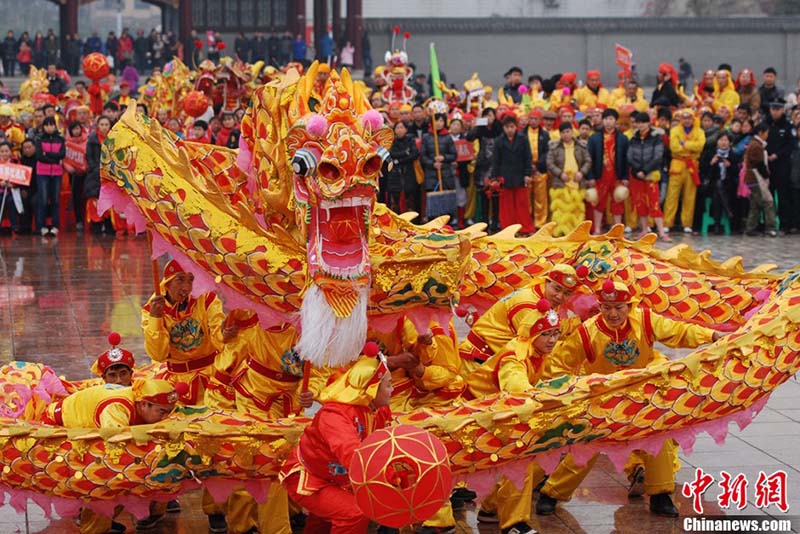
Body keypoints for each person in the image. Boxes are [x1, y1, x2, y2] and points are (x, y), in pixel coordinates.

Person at [537, 280, 722, 519]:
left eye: (619, 307)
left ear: (630, 305)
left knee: (659, 438)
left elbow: (679, 331)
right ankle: (551, 494)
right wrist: (564, 390)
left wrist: (712, 334)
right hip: (603, 399)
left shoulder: (645, 320)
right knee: (586, 447)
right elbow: (560, 363)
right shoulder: (587, 332)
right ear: (600, 306)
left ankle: (660, 495)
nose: (613, 313)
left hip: (642, 397)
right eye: (606, 307)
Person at [467, 299, 561, 534]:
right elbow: (517, 388)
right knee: (522, 458)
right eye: (546, 334)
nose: (552, 340)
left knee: (541, 452)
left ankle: (491, 509)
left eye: (555, 334)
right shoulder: (515, 355)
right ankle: (513, 524)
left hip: (499, 413)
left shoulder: (538, 351)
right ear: (532, 333)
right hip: (477, 417)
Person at [204, 313, 305, 534]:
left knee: (284, 459)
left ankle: (285, 517)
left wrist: (311, 390)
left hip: (290, 399)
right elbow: (226, 338)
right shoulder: (253, 306)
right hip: (252, 393)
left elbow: (320, 366)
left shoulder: (312, 317)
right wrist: (224, 332)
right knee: (249, 459)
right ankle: (243, 524)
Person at [42, 379, 183, 534]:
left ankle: (106, 520)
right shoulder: (117, 408)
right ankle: (94, 525)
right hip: (60, 428)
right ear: (143, 404)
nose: (165, 417)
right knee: (113, 474)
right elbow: (115, 448)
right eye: (162, 412)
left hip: (93, 429)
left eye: (169, 412)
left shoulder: (142, 403)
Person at [279, 350, 393, 533]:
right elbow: (351, 454)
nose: (393, 390)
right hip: (311, 476)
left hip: (335, 476)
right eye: (388, 385)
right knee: (354, 513)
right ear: (370, 390)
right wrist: (386, 476)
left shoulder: (377, 410)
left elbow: (386, 442)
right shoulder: (335, 416)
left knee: (324, 522)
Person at [142, 259, 233, 405]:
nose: (186, 288)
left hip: (211, 374)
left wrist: (225, 334)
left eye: (190, 280)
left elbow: (217, 332)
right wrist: (155, 319)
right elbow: (158, 354)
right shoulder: (152, 308)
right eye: (180, 280)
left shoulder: (206, 297)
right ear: (167, 283)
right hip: (175, 377)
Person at [627, 112, 670, 241]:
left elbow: (658, 156)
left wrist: (645, 170)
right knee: (640, 202)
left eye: (642, 122)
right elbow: (629, 156)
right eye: (638, 122)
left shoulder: (656, 137)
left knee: (654, 202)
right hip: (636, 175)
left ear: (648, 123)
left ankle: (661, 232)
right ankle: (644, 230)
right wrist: (637, 170)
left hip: (651, 174)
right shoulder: (633, 137)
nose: (640, 125)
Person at [587, 108, 629, 233]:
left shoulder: (623, 139)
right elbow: (589, 159)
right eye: (605, 119)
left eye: (611, 119)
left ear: (616, 121)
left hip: (617, 175)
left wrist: (625, 177)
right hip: (600, 174)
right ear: (602, 120)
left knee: (618, 201)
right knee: (598, 201)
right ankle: (598, 229)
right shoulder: (594, 138)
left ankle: (617, 229)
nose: (608, 122)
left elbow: (627, 159)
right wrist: (590, 177)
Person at [547, 121, 591, 237]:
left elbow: (588, 161)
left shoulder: (581, 146)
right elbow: (550, 163)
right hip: (561, 183)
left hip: (577, 182)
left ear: (572, 132)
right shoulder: (554, 147)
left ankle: (577, 232)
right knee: (560, 210)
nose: (566, 134)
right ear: (560, 134)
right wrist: (560, 174)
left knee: (576, 209)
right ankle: (560, 233)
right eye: (563, 132)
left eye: (568, 131)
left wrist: (582, 173)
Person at [664, 109, 705, 233]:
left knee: (690, 195)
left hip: (692, 166)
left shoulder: (699, 131)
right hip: (677, 163)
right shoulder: (675, 130)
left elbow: (700, 146)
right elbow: (674, 147)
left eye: (689, 118)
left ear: (693, 119)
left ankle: (687, 223)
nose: (687, 120)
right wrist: (690, 147)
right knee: (672, 195)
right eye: (684, 118)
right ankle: (667, 222)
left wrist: (684, 144)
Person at [492, 113, 534, 234]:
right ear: (503, 128)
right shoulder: (499, 141)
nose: (509, 129)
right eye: (507, 127)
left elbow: (528, 158)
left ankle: (525, 228)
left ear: (516, 127)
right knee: (506, 206)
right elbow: (495, 161)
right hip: (504, 177)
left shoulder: (523, 139)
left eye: (512, 127)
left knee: (522, 204)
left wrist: (528, 174)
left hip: (520, 175)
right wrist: (495, 178)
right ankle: (507, 229)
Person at [766, 99, 797, 234]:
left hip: (782, 166)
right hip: (767, 166)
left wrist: (777, 155)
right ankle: (769, 224)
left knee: (783, 196)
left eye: (778, 109)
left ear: (782, 110)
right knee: (768, 197)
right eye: (773, 109)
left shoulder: (788, 127)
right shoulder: (766, 124)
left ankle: (785, 224)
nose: (775, 111)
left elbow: (790, 145)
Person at [421, 112, 457, 221]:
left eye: (442, 121)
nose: (439, 123)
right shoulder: (426, 137)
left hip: (445, 173)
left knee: (446, 202)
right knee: (433, 202)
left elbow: (454, 155)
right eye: (437, 120)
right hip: (432, 174)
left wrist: (444, 158)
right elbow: (423, 156)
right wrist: (433, 163)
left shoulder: (448, 137)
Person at [744, 122, 777, 237]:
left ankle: (751, 228)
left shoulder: (755, 144)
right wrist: (767, 175)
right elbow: (758, 163)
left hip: (753, 178)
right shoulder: (756, 145)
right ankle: (770, 227)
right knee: (768, 202)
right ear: (760, 133)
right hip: (756, 178)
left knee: (755, 205)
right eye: (766, 133)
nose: (767, 135)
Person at [34, 116, 66, 237]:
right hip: (42, 172)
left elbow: (62, 154)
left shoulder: (60, 139)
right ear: (43, 127)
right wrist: (54, 158)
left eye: (52, 125)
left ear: (55, 125)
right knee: (43, 199)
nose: (49, 127)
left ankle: (55, 226)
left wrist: (47, 153)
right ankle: (41, 226)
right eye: (47, 125)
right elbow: (39, 156)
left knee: (55, 200)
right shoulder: (39, 139)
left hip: (57, 173)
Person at [83, 115, 113, 234]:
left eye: (106, 125)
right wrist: (97, 168)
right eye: (102, 125)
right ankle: (96, 225)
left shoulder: (114, 139)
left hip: (110, 174)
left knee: (110, 201)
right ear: (98, 126)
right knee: (95, 200)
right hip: (95, 175)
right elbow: (89, 157)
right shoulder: (92, 139)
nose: (104, 127)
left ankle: (109, 225)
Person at [385, 120, 419, 213]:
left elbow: (414, 154)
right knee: (395, 198)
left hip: (408, 172)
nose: (399, 130)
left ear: (406, 129)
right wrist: (405, 153)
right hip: (394, 174)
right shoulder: (391, 142)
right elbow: (391, 154)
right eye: (397, 128)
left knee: (410, 197)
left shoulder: (411, 140)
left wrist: (399, 160)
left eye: (402, 127)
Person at [63, 121, 88, 231]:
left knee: (87, 196)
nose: (76, 131)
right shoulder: (66, 143)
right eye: (74, 129)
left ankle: (88, 220)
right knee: (76, 196)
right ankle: (79, 220)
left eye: (78, 128)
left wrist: (85, 167)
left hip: (86, 173)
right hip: (73, 174)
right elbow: (64, 159)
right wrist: (70, 169)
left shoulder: (87, 141)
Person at [0, 142, 21, 234]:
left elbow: (21, 177)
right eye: (2, 151)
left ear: (10, 152)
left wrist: (13, 185)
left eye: (6, 151)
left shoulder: (15, 162)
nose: (4, 153)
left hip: (12, 190)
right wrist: (1, 183)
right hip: (1, 189)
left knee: (11, 201)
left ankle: (14, 226)